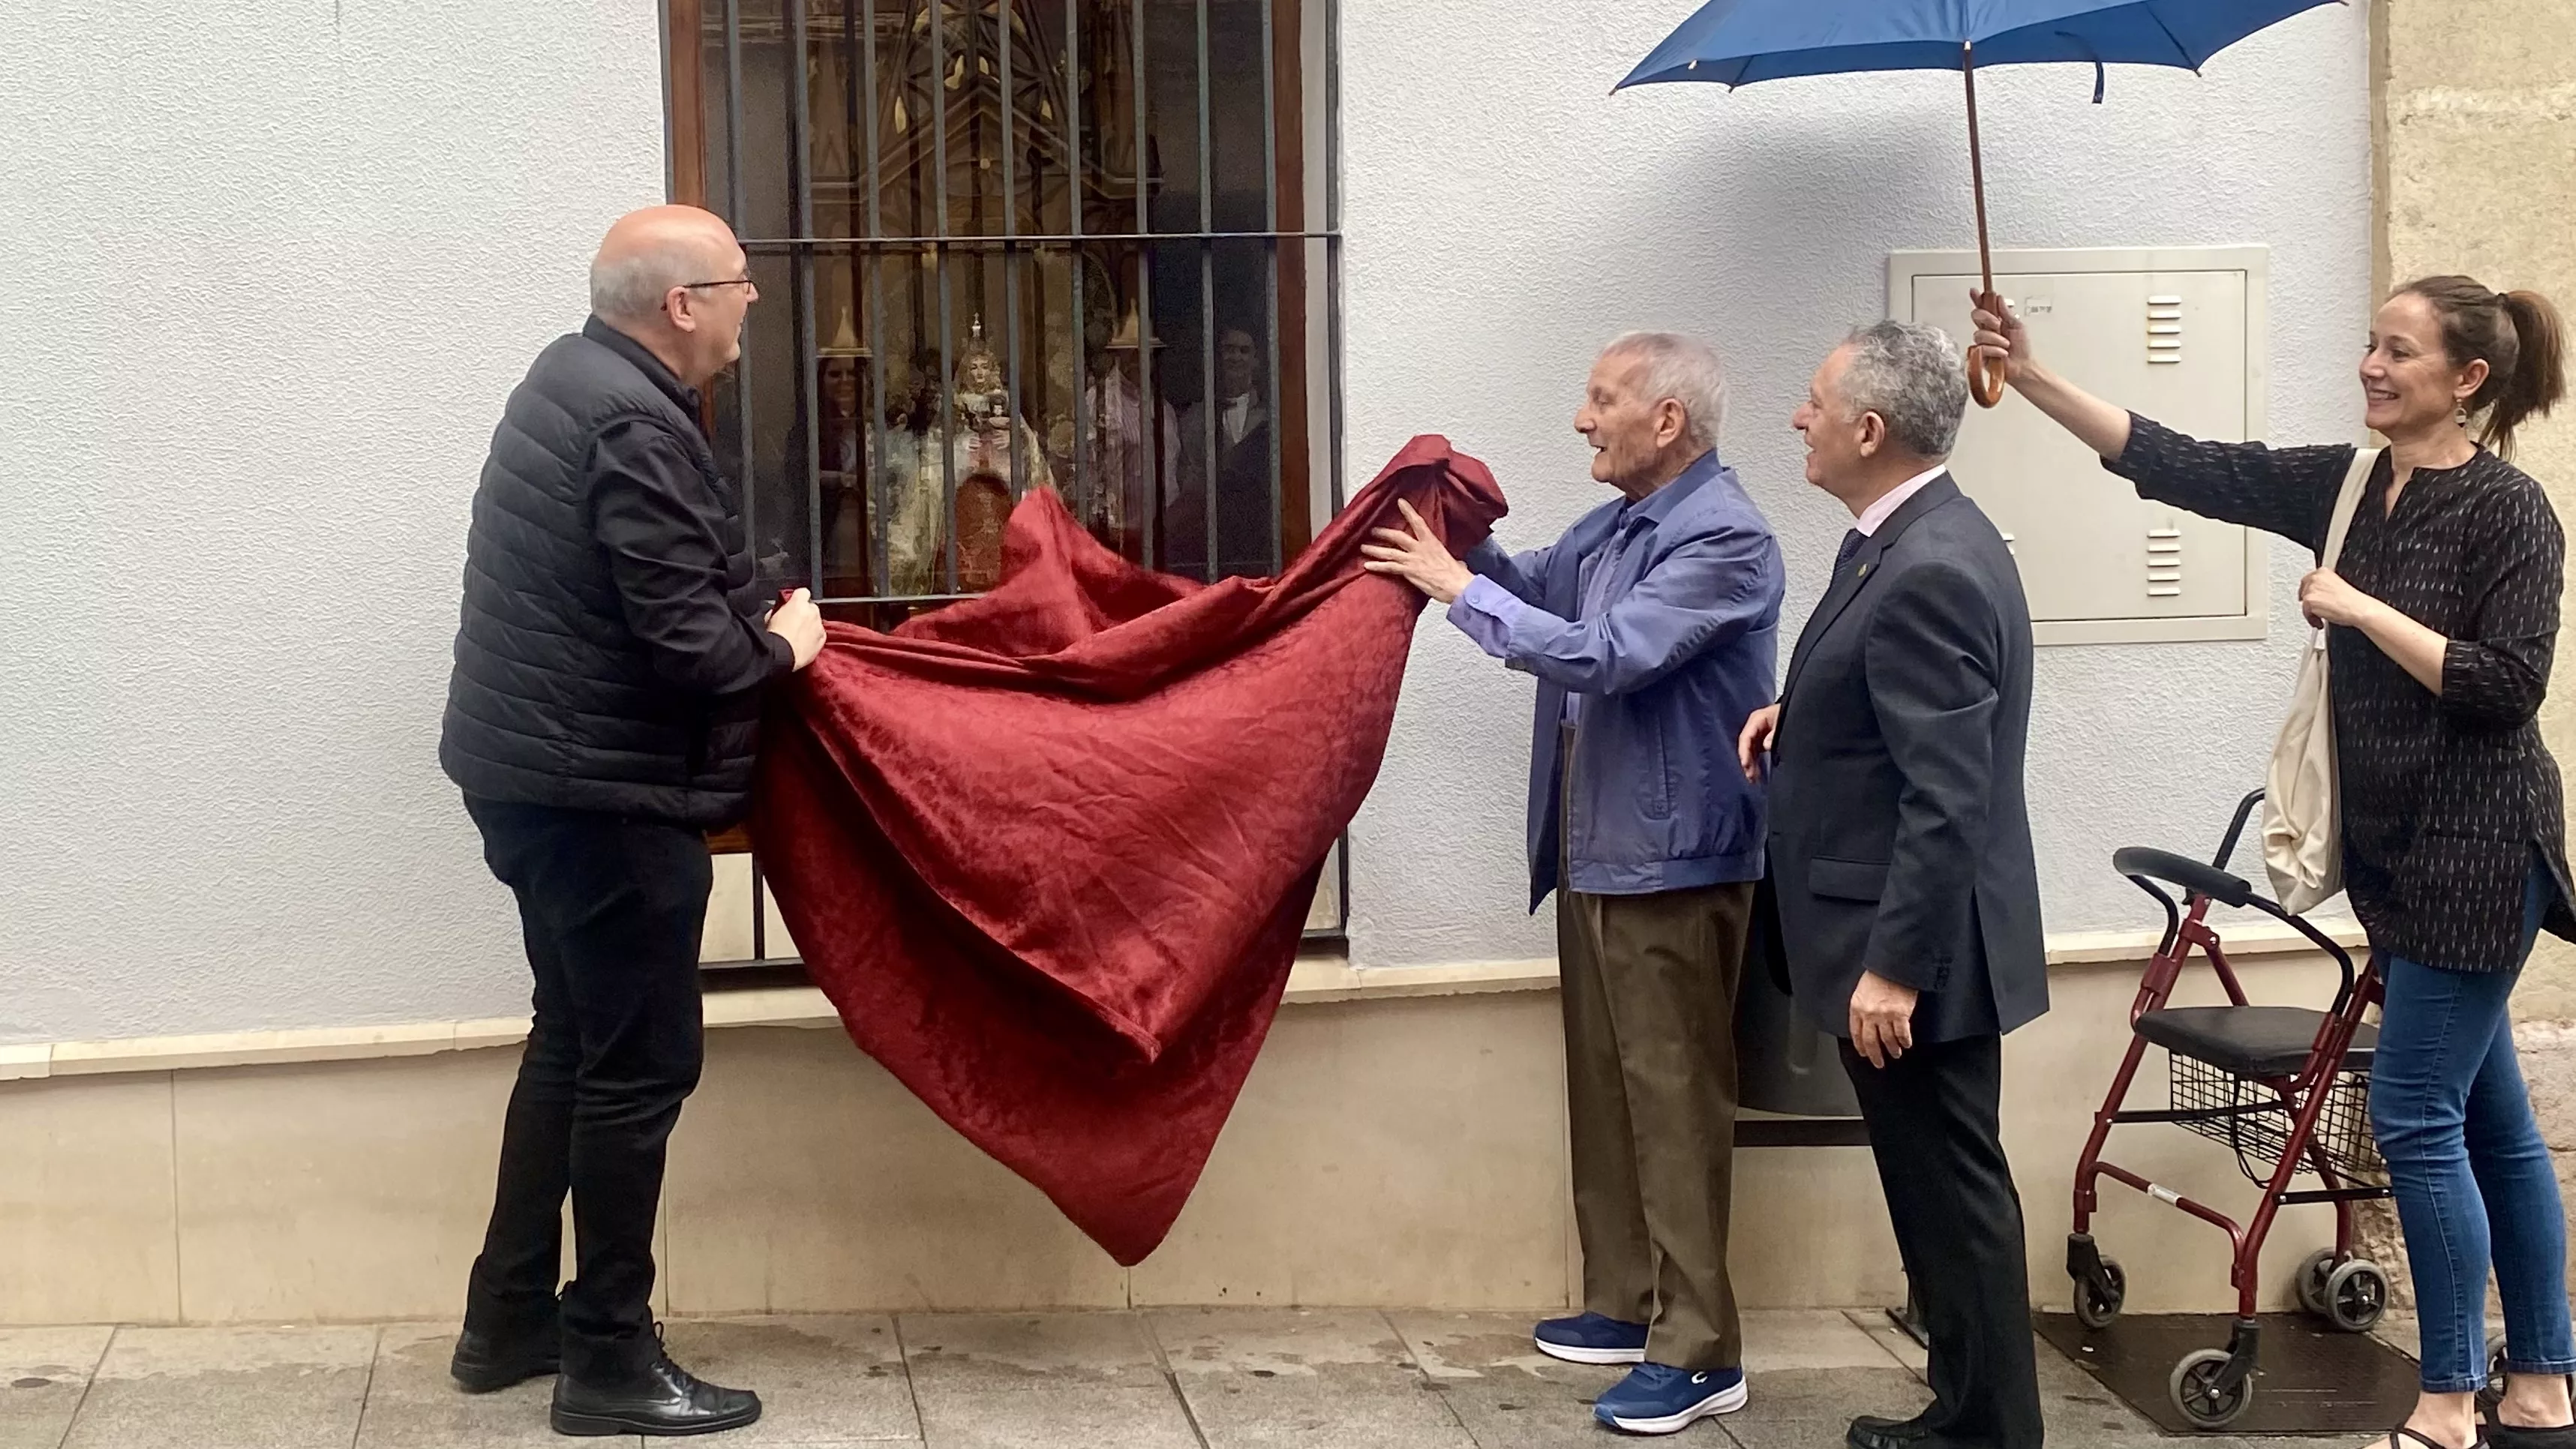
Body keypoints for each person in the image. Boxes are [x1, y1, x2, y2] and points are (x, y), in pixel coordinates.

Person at [1971, 276, 2574, 1449]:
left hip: (2481, 853)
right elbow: (2185, 463)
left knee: (2410, 1119)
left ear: (2466, 382)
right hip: (2399, 867)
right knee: (2490, 1124)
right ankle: (2543, 1384)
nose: (2369, 367)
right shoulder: (2349, 486)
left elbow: (2504, 686)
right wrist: (2031, 375)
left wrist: (2355, 608)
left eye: (2398, 353)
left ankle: (2449, 1402)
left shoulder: (2509, 512)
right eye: (2368, 344)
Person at [437, 204, 827, 1438]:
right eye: (739, 285)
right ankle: (606, 1354)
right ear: (679, 305)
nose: (750, 304)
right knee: (638, 1068)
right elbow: (689, 649)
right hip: (605, 796)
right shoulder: (627, 419)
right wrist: (784, 646)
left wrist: (745, 601)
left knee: (572, 1043)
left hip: (535, 782)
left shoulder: (575, 381)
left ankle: (506, 1321)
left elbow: (670, 575)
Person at [1365, 332, 1784, 1436]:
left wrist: (1456, 590)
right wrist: (1457, 532)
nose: (1579, 419)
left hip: (1675, 866)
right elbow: (1539, 585)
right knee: (1609, 1092)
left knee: (1674, 1101)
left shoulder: (1727, 539)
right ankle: (1622, 1303)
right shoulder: (1617, 527)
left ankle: (1701, 1352)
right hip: (1600, 856)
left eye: (1600, 400)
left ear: (1667, 423)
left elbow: (1607, 653)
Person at [1738, 320, 2049, 1449]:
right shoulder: (1907, 537)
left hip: (1918, 954)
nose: (1796, 421)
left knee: (1954, 1201)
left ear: (1867, 429)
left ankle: (1989, 1431)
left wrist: (1890, 971)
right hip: (1915, 940)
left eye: (1812, 402)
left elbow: (1945, 797)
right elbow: (1901, 717)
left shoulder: (1925, 565)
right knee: (1934, 1198)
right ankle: (1963, 1411)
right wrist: (1803, 720)